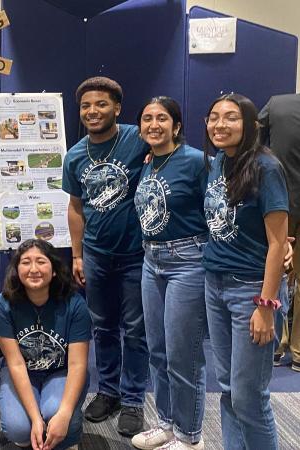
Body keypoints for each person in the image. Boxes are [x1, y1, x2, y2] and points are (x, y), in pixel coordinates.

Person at [61, 76, 149, 436]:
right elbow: (75, 208)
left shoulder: (136, 137)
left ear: (117, 108)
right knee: (103, 328)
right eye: (85, 106)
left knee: (137, 331)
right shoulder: (76, 155)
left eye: (100, 104)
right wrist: (78, 256)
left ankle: (133, 400)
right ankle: (108, 391)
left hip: (137, 255)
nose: (92, 111)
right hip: (96, 256)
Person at [202, 93, 288, 450]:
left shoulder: (266, 168)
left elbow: (278, 244)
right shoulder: (218, 162)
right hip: (215, 284)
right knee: (229, 390)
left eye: (231, 118)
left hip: (251, 290)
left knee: (250, 397)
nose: (220, 124)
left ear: (251, 125)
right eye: (214, 117)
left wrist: (266, 306)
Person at [131, 97, 208, 450]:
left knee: (183, 354)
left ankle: (190, 437)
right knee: (158, 351)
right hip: (152, 261)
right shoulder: (149, 163)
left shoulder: (194, 161)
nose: (153, 124)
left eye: (162, 118)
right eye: (147, 119)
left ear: (177, 126)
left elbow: (222, 204)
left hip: (187, 261)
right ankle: (166, 424)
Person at [0, 239, 91, 450]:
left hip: (61, 371)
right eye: (26, 262)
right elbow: (16, 363)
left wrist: (64, 414)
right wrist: (36, 419)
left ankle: (63, 425)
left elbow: (77, 365)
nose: (34, 269)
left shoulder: (75, 304)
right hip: (22, 371)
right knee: (19, 429)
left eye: (41, 261)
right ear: (17, 269)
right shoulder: (3, 304)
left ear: (54, 270)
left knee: (59, 414)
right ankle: (36, 421)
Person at [259, 94, 300, 372]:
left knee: (276, 274)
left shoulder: (278, 104)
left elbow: (252, 143)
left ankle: (276, 343)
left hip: (279, 203)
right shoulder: (279, 105)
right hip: (280, 204)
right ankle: (297, 351)